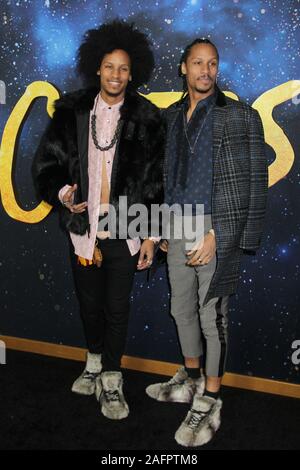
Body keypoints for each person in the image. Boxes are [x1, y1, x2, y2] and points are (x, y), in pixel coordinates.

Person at [32, 20, 164, 420]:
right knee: (89, 305)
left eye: (123, 68)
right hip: (83, 233)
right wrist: (63, 193)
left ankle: (111, 377)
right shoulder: (71, 110)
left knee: (117, 308)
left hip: (126, 232)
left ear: (132, 72)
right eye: (109, 66)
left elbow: (157, 181)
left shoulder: (147, 118)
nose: (116, 75)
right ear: (97, 68)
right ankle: (92, 362)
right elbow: (46, 165)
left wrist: (152, 235)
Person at [146, 38, 268, 446]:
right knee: (180, 309)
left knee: (211, 316)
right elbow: (163, 178)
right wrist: (159, 228)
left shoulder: (240, 116)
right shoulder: (169, 116)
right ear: (183, 68)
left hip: (214, 227)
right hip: (175, 226)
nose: (205, 70)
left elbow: (254, 182)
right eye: (197, 63)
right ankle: (192, 380)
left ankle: (211, 398)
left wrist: (221, 235)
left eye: (212, 63)